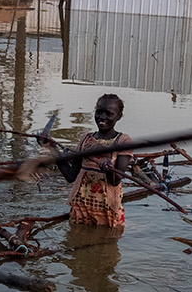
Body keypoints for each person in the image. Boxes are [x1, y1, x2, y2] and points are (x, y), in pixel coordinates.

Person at [41, 93, 133, 228]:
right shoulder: (86, 140)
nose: (102, 117)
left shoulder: (123, 141)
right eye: (99, 112)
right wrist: (52, 147)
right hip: (81, 205)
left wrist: (108, 168)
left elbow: (115, 180)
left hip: (106, 208)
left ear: (118, 116)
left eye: (109, 113)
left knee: (107, 244)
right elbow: (70, 175)